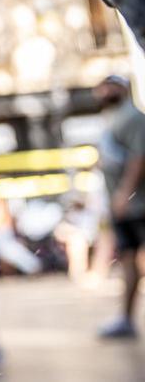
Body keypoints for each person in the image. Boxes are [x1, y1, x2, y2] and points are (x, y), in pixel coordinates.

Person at [92, 74, 145, 338]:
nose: (105, 91)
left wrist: (126, 192)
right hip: (122, 206)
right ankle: (126, 318)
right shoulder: (111, 119)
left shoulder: (133, 117)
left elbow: (139, 157)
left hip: (138, 205)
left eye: (111, 86)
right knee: (128, 260)